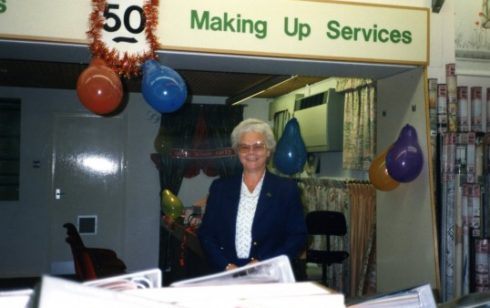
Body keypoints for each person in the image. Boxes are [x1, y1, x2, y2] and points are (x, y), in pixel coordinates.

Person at [198, 118, 307, 273]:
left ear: (268, 150)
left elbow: (297, 236)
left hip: (270, 274)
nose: (251, 152)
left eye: (258, 146)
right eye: (244, 147)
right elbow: (206, 234)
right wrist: (226, 265)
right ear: (237, 151)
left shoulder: (286, 189)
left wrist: (263, 262)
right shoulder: (220, 188)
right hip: (227, 273)